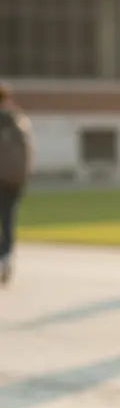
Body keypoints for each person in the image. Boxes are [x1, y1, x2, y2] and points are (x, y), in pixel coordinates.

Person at [0, 83, 33, 285]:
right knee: (8, 220)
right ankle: (6, 256)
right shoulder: (19, 121)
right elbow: (28, 150)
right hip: (14, 179)